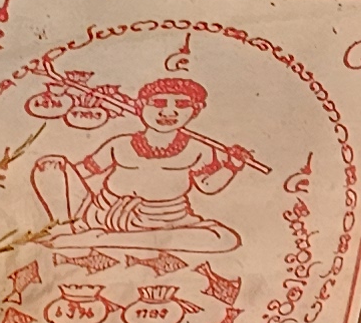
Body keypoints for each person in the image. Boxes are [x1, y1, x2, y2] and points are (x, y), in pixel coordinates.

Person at [29, 75, 252, 252]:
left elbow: (207, 186)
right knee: (50, 166)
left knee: (223, 239)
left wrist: (231, 166)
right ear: (140, 107)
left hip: (165, 220)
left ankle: (101, 239)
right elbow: (84, 172)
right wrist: (60, 172)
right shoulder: (120, 144)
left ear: (196, 110)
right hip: (101, 213)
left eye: (182, 104)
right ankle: (72, 226)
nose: (168, 111)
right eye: (158, 103)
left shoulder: (199, 149)